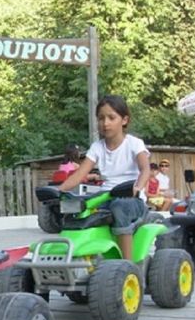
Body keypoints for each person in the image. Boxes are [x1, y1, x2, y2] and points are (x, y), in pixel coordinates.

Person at [58, 95, 150, 260]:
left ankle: (128, 265)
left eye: (111, 117)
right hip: (105, 197)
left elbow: (145, 169)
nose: (105, 123)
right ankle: (76, 257)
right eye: (101, 118)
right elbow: (80, 173)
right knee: (78, 209)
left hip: (130, 199)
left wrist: (137, 187)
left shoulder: (134, 143)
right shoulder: (97, 147)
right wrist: (59, 190)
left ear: (124, 120)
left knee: (119, 207)